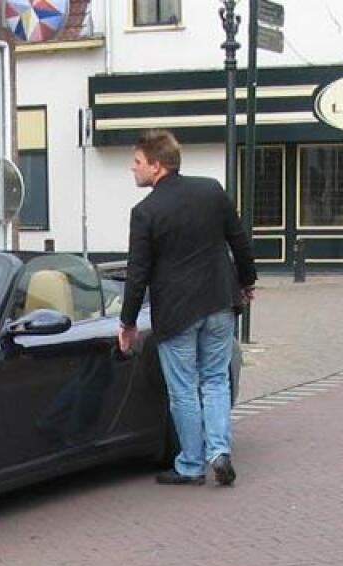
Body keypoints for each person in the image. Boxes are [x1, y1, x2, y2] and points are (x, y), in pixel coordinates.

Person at [117, 130, 256, 487]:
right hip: (220, 301)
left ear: (157, 166)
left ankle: (192, 464)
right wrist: (246, 281)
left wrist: (127, 321)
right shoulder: (211, 190)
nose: (132, 169)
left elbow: (138, 273)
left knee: (183, 388)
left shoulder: (145, 212)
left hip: (177, 313)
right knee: (215, 381)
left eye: (137, 163)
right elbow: (238, 239)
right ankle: (219, 452)